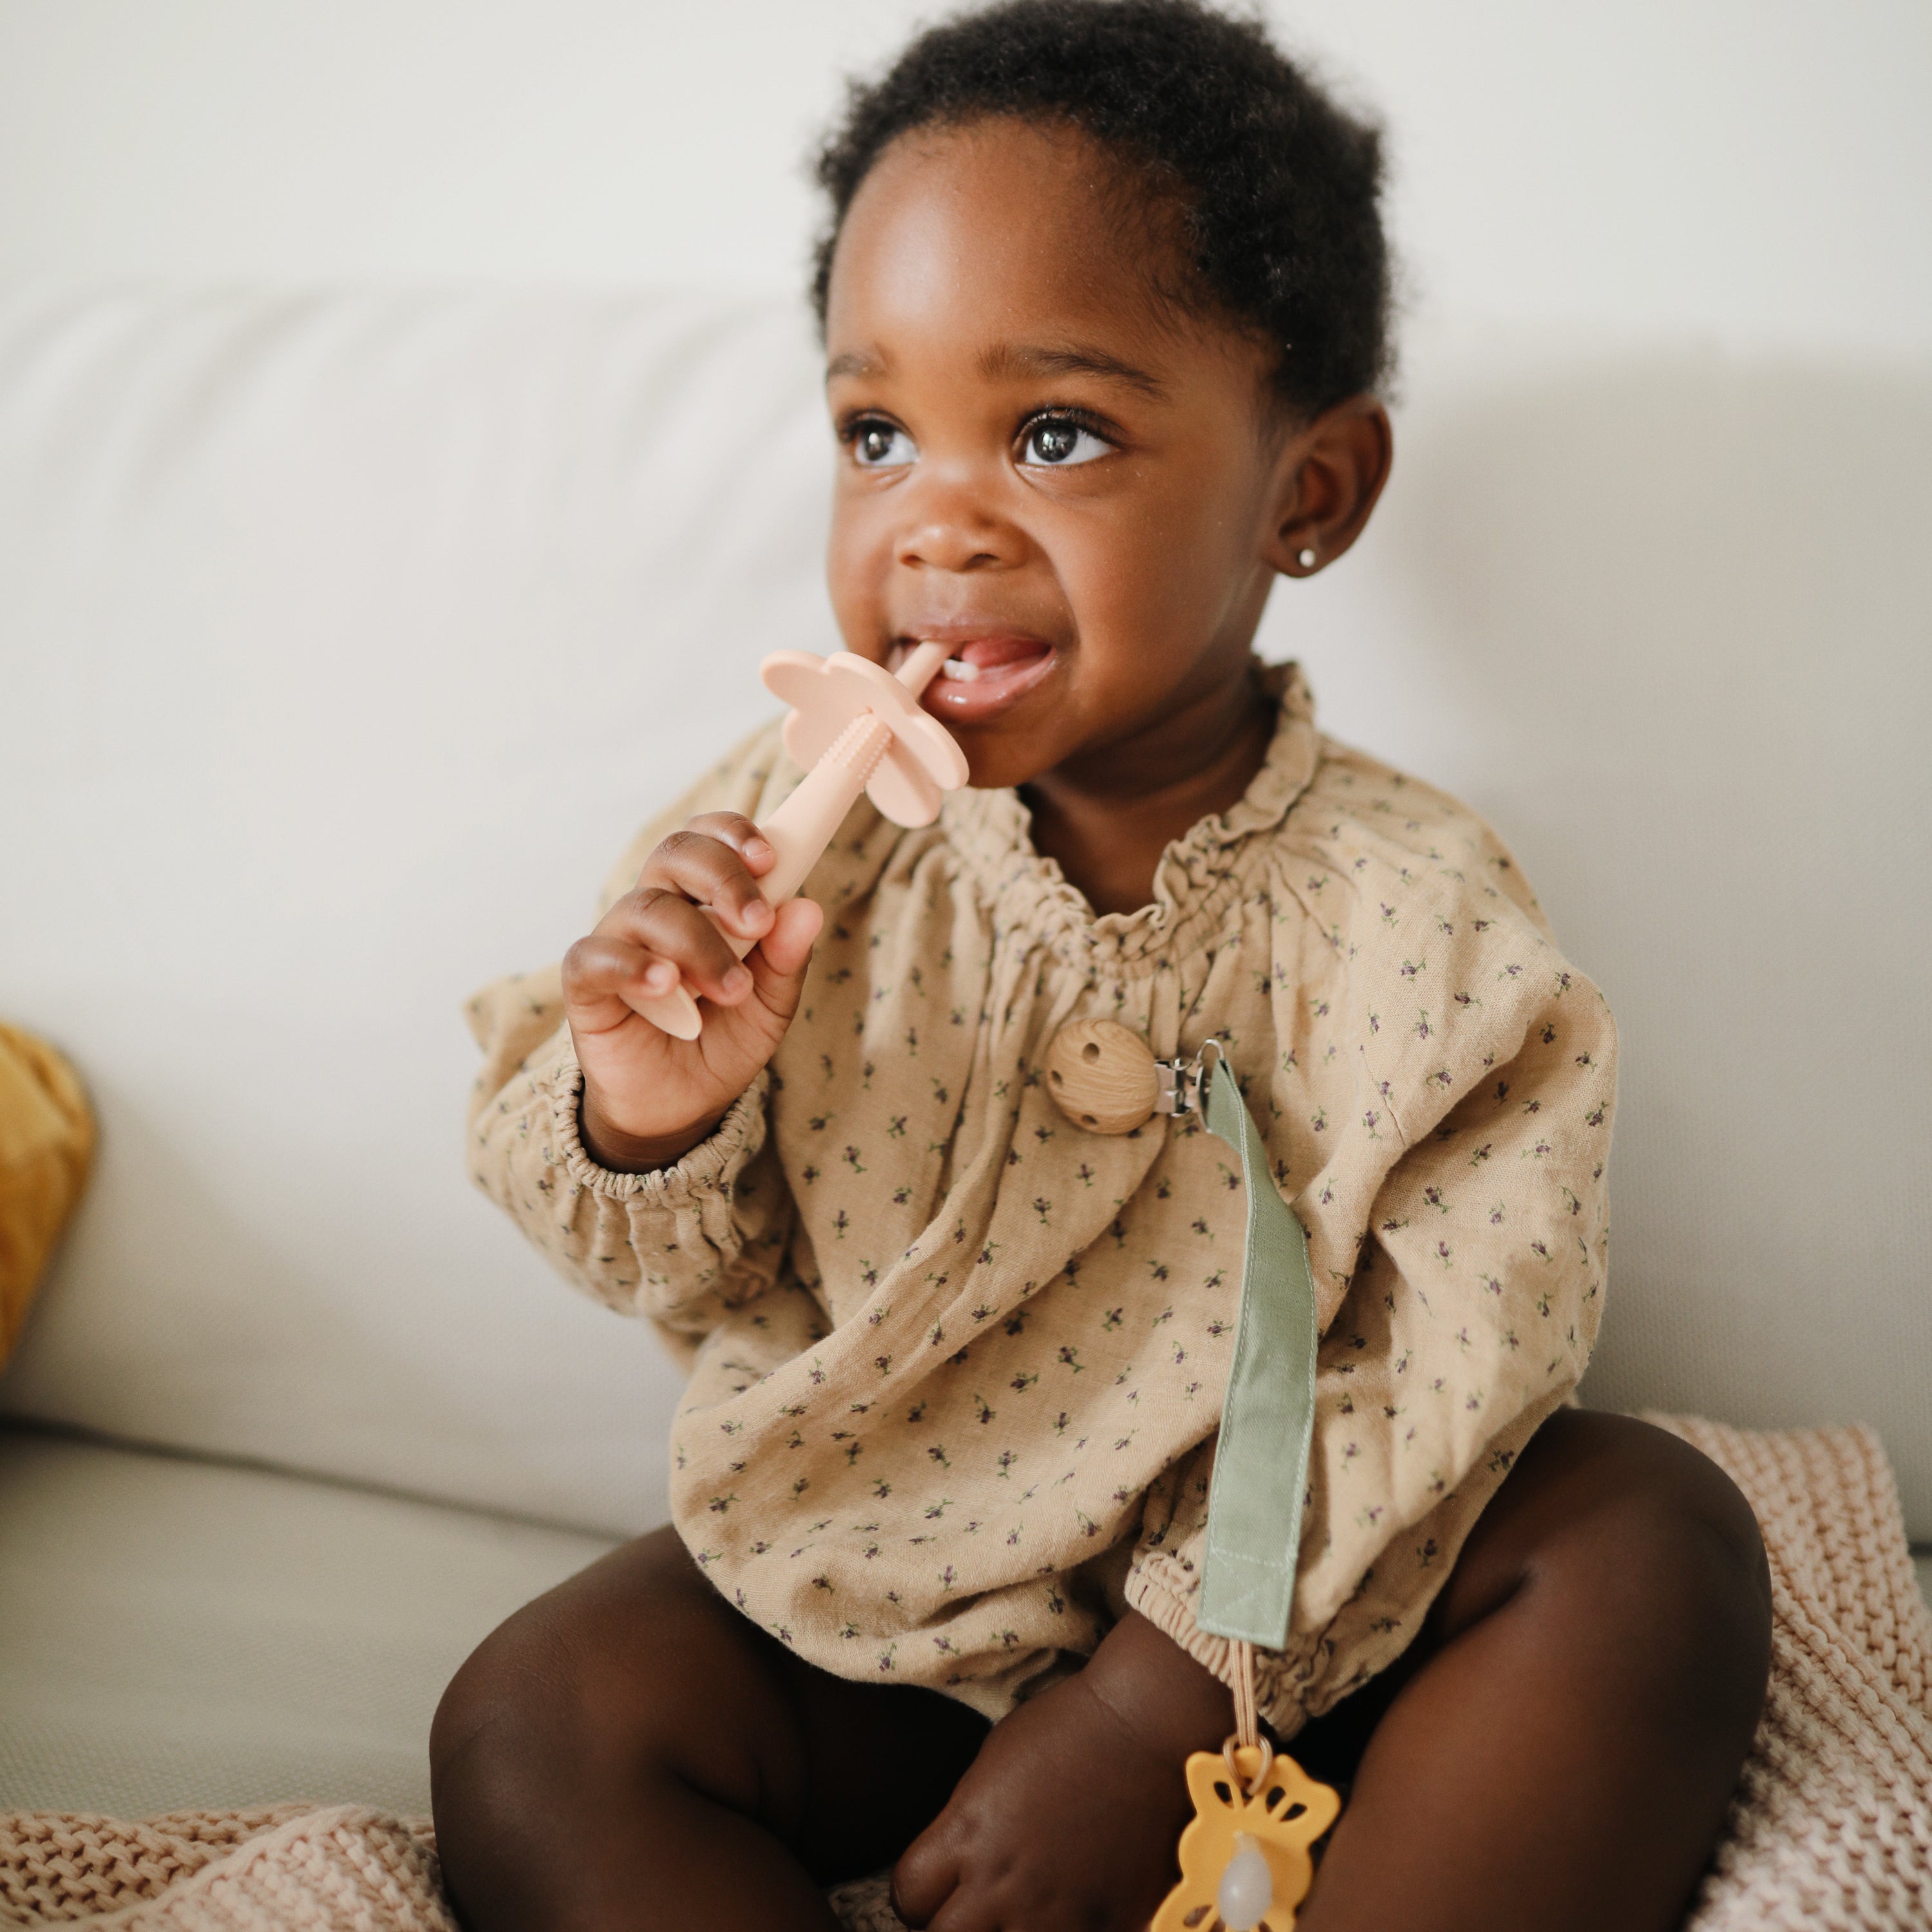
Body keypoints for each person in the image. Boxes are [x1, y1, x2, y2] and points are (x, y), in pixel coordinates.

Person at [431, 5, 1772, 1927]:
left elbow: (1467, 1343)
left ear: (1306, 494)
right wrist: (651, 1112)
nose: (936, 519)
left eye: (1053, 432)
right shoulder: (785, 832)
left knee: (1654, 1542)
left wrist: (1161, 1708)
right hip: (893, 1591)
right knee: (538, 1720)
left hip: (1303, 1643)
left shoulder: (1418, 913)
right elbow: (666, 1252)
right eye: (874, 432)